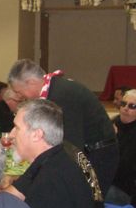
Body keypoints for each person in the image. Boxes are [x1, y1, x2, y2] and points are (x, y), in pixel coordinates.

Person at [5, 99, 97, 208]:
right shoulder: (55, 157)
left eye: (17, 128)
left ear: (36, 134)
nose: (11, 134)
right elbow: (11, 196)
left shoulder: (51, 180)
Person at [8, 59, 118, 194]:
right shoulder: (55, 88)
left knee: (86, 199)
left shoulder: (62, 95)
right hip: (86, 152)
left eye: (19, 92)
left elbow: (70, 146)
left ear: (31, 82)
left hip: (97, 156)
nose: (19, 97)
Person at [108, 89, 136, 205]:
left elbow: (123, 168)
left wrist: (112, 140)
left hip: (126, 190)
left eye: (132, 106)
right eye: (123, 104)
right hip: (111, 182)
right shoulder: (115, 122)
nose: (125, 108)